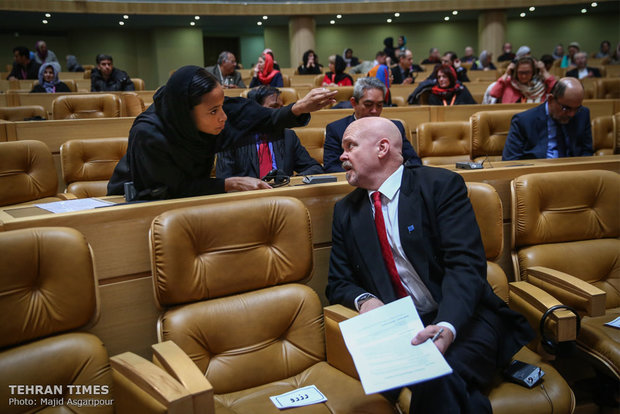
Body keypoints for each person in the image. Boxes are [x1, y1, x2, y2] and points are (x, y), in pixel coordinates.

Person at [326, 116, 534, 414]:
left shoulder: (440, 186)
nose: (341, 156)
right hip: (402, 327)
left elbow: (465, 266)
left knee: (433, 376)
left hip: (465, 317)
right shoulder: (346, 212)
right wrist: (366, 300)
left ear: (382, 148)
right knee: (440, 380)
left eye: (350, 146)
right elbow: (338, 281)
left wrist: (447, 326)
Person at [107, 66, 336, 200]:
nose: (224, 117)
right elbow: (170, 190)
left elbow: (264, 118)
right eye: (214, 111)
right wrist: (229, 183)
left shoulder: (216, 110)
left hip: (192, 195)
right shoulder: (149, 134)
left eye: (222, 105)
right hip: (138, 198)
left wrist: (299, 107)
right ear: (186, 113)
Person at [216, 86, 324, 179]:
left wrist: (291, 182)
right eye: (274, 107)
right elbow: (224, 179)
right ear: (254, 110)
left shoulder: (288, 136)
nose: (280, 112)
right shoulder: (233, 138)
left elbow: (314, 168)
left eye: (282, 107)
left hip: (284, 197)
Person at [323, 77, 420, 173]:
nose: (374, 111)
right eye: (368, 104)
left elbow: (414, 162)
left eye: (379, 105)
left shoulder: (395, 128)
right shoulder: (336, 129)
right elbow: (332, 168)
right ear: (354, 103)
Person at [502, 77, 593, 160]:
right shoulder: (523, 121)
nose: (572, 114)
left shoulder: (583, 114)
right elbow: (510, 161)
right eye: (566, 108)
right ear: (550, 100)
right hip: (538, 173)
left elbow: (587, 152)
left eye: (577, 108)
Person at [490, 56, 555, 103]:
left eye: (527, 72)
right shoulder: (509, 83)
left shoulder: (542, 84)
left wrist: (544, 71)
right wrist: (507, 73)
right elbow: (494, 93)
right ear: (515, 72)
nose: (524, 76)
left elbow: (556, 91)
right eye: (520, 72)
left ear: (533, 72)